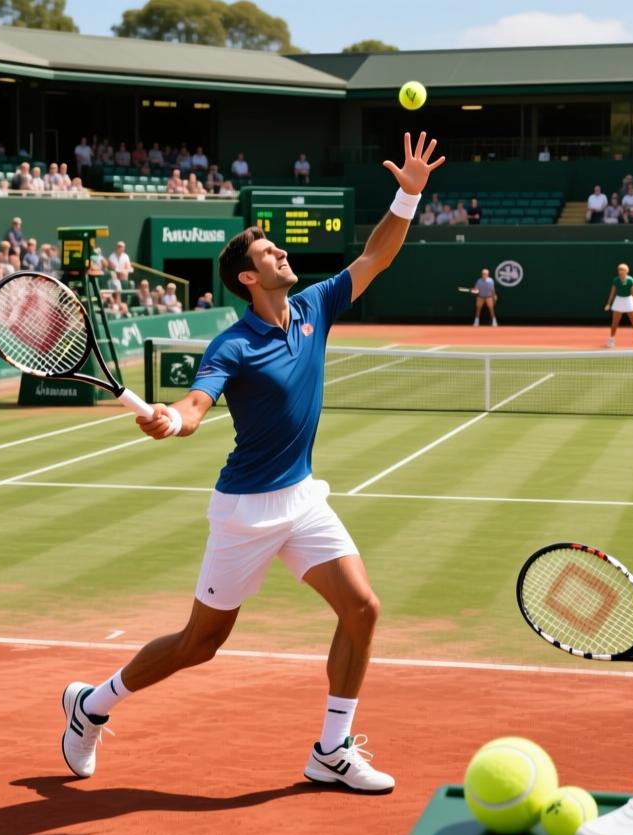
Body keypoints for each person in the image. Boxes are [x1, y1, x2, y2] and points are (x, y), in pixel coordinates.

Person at [58, 130, 445, 793]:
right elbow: (197, 403)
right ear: (247, 276)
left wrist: (406, 196)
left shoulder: (315, 307)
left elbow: (376, 256)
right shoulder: (233, 345)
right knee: (198, 645)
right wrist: (173, 418)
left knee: (363, 610)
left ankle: (331, 749)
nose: (282, 252)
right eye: (270, 251)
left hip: (302, 498)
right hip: (245, 512)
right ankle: (92, 704)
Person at [603, 262, 633, 349]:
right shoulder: (616, 280)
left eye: (622, 270)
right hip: (619, 300)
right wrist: (608, 303)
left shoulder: (630, 280)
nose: (620, 271)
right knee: (615, 323)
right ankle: (611, 340)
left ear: (626, 271)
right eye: (619, 270)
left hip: (629, 301)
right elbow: (612, 292)